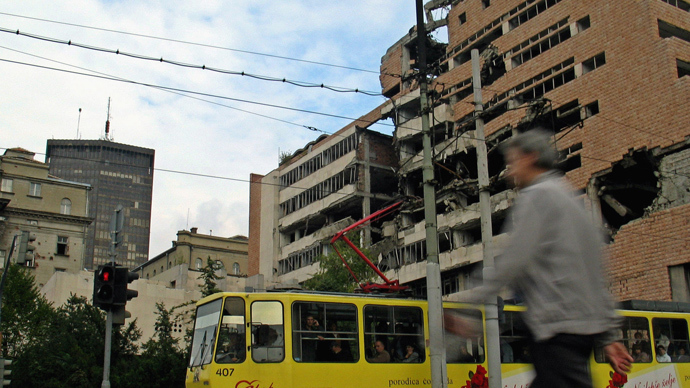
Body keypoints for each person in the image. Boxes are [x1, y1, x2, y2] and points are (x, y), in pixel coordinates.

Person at [444, 129, 633, 387]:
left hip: (555, 330)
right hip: (579, 333)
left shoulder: (537, 197)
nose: (509, 171)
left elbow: (513, 259)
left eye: (513, 162)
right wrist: (609, 336)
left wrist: (468, 305)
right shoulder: (572, 201)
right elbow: (596, 273)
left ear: (531, 157)